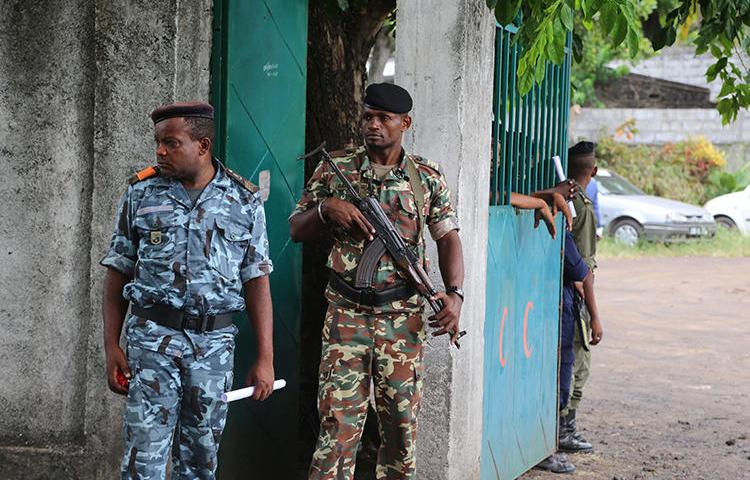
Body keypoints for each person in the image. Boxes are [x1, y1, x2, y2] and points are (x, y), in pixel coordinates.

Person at [289, 83, 464, 480]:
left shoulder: (425, 179)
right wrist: (326, 208)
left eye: (384, 118)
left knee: (401, 431)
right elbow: (296, 229)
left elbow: (448, 237)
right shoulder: (336, 169)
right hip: (346, 316)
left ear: (405, 123)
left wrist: (455, 294)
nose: (373, 125)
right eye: (368, 116)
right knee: (336, 429)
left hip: (402, 319)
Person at [100, 101, 276, 479]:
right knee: (142, 460)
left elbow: (257, 280)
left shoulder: (244, 201)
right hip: (151, 344)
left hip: (212, 350)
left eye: (171, 143)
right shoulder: (141, 195)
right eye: (158, 143)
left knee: (200, 462)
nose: (160, 152)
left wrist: (265, 357)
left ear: (203, 145)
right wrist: (111, 345)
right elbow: (118, 271)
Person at [535, 230, 597, 474]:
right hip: (559, 317)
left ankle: (547, 446)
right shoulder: (559, 230)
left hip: (551, 315)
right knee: (557, 387)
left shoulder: (552, 225)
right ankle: (546, 448)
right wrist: (596, 318)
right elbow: (584, 274)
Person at [559, 141, 604, 453]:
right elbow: (584, 271)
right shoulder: (583, 207)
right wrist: (595, 315)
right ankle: (564, 430)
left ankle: (563, 427)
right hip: (575, 297)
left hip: (563, 292)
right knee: (578, 364)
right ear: (595, 171)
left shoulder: (567, 197)